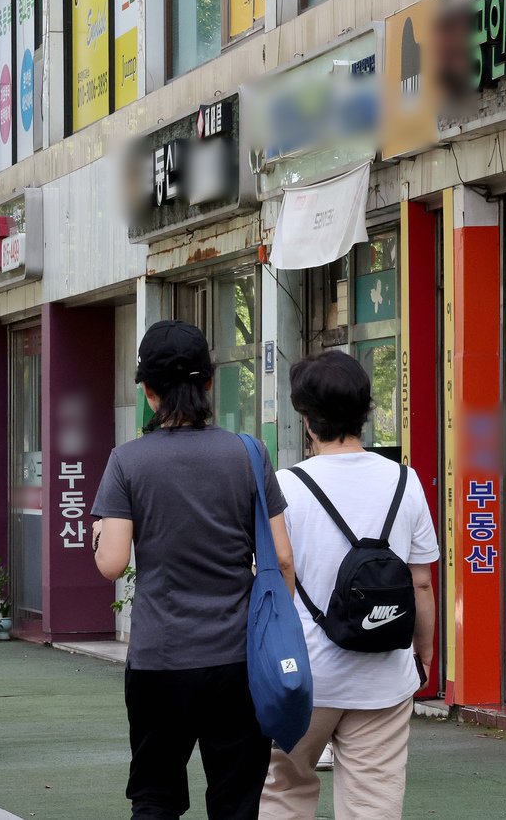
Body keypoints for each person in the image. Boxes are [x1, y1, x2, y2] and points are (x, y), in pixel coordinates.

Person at [92, 320, 297, 820]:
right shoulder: (249, 454)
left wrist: (98, 530)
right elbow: (284, 557)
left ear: (148, 390)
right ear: (209, 382)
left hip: (159, 660)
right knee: (236, 801)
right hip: (236, 660)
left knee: (156, 795)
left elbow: (111, 562)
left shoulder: (127, 462)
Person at [260, 351, 438, 820]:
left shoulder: (286, 486)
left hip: (302, 677)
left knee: (283, 792)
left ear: (306, 418)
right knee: (373, 803)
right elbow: (421, 583)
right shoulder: (405, 481)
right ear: (365, 409)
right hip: (383, 672)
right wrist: (423, 650)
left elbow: (270, 577)